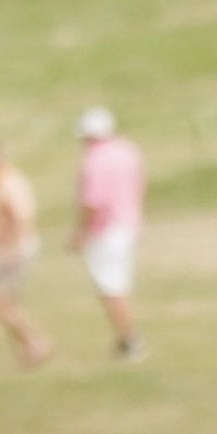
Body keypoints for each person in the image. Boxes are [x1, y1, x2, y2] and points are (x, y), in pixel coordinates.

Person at [71, 107, 146, 360]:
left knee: (110, 286)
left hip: (105, 229)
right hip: (129, 224)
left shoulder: (95, 161)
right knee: (120, 282)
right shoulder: (128, 151)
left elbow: (92, 202)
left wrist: (80, 233)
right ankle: (126, 336)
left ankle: (129, 339)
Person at [0, 145, 52, 367]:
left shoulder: (8, 185)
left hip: (14, 250)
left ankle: (37, 343)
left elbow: (21, 217)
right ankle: (28, 350)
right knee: (8, 303)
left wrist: (15, 249)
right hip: (9, 249)